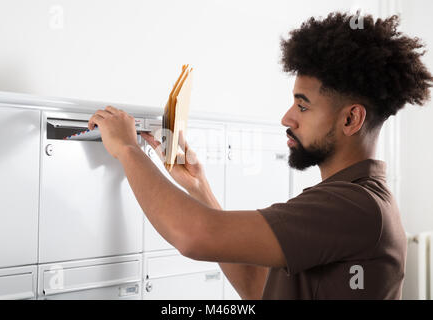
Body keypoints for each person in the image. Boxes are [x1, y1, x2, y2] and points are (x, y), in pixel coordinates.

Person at [88, 12, 433, 299]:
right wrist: (199, 188)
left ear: (350, 119)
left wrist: (127, 149)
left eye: (303, 105)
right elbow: (259, 288)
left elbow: (194, 236)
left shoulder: (355, 205)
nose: (287, 118)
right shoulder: (353, 201)